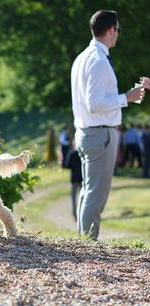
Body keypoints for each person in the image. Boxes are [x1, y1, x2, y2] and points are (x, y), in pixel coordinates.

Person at [71, 10, 145, 240]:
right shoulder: (99, 60)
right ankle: (88, 245)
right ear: (111, 29)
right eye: (118, 30)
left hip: (87, 132)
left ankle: (84, 242)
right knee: (96, 195)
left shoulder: (83, 57)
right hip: (99, 134)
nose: (118, 35)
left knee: (88, 191)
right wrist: (127, 97)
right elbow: (95, 104)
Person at [63, 148, 82, 221]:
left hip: (74, 179)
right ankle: (81, 214)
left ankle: (75, 215)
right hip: (82, 178)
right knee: (82, 198)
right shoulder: (83, 153)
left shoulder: (72, 153)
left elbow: (67, 165)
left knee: (74, 198)